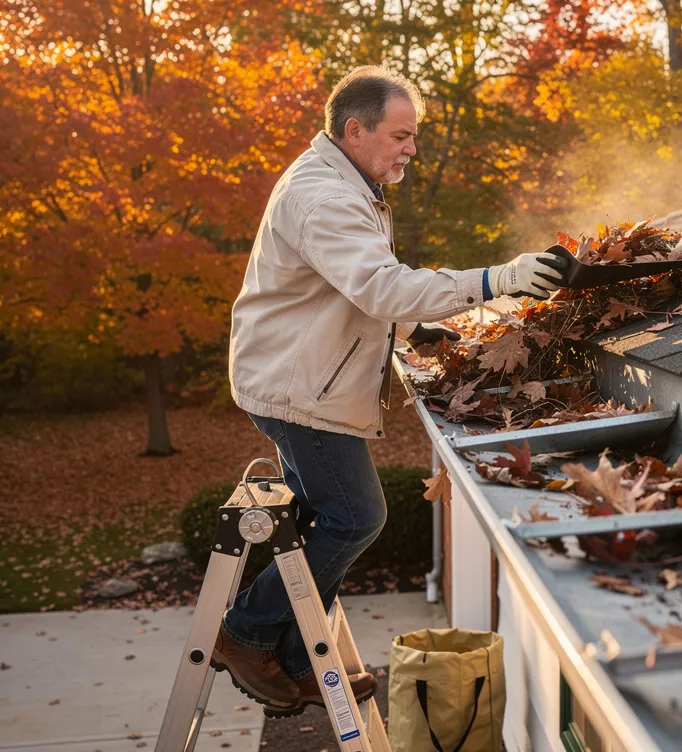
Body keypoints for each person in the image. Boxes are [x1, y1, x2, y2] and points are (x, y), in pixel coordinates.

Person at [213, 65, 570, 716]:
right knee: (357, 516)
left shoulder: (351, 185)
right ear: (356, 130)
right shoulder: (324, 196)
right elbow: (381, 286)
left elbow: (357, 292)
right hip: (295, 384)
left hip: (296, 370)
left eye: (414, 135)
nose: (412, 147)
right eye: (402, 134)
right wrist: (502, 277)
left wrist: (423, 329)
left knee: (332, 519)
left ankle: (297, 662)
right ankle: (243, 633)